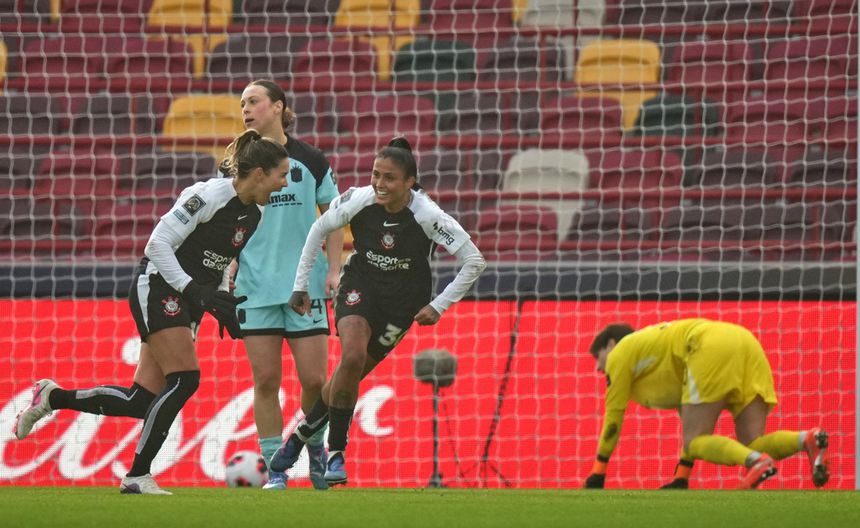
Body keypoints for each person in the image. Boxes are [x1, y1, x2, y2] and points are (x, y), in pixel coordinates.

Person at [13, 129, 290, 495]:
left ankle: (51, 397)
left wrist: (222, 301)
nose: (283, 183)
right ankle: (137, 476)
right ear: (259, 174)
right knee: (186, 379)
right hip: (158, 286)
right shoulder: (207, 195)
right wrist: (195, 291)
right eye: (280, 175)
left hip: (190, 298)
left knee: (141, 400)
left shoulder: (254, 211)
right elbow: (156, 244)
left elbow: (224, 258)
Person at [269, 137, 486, 486]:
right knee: (351, 357)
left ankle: (297, 438)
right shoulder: (358, 199)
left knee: (347, 376)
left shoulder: (428, 215)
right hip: (361, 285)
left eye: (389, 178)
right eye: (375, 175)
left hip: (403, 304)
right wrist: (300, 285)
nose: (379, 184)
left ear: (410, 182)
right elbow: (318, 228)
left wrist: (438, 305)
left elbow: (474, 260)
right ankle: (336, 455)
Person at [227, 79, 343, 491]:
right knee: (266, 381)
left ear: (277, 106)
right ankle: (274, 469)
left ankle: (312, 449)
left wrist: (334, 268)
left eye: (253, 101)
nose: (246, 109)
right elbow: (227, 221)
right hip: (254, 287)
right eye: (242, 103)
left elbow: (333, 215)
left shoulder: (310, 159)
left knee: (315, 381)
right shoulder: (237, 162)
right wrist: (229, 263)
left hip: (304, 286)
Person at [583, 319, 831, 490]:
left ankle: (757, 462)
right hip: (745, 341)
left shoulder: (619, 355)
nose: (597, 367)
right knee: (752, 442)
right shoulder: (655, 355)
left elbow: (613, 420)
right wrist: (682, 476)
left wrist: (597, 473)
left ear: (610, 345)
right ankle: (807, 439)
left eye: (598, 356)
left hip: (708, 345)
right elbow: (684, 408)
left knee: (696, 440)